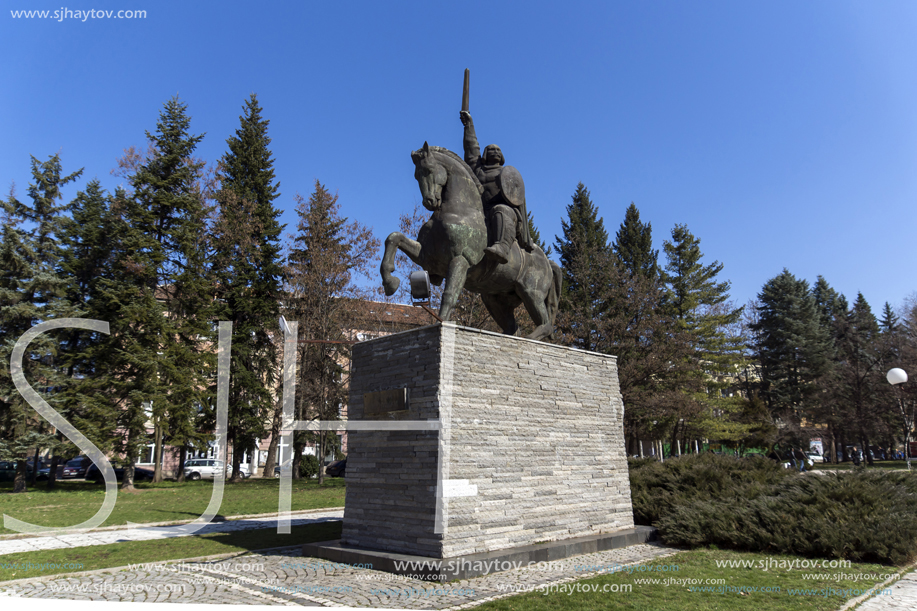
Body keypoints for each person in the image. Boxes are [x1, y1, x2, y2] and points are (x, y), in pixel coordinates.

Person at [460, 110, 534, 263]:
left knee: (499, 210)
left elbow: (516, 196)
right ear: (486, 154)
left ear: (502, 157)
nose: (495, 151)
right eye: (491, 149)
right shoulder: (478, 169)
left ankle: (502, 247)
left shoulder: (507, 174)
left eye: (498, 150)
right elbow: (471, 148)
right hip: (482, 210)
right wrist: (469, 125)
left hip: (507, 212)